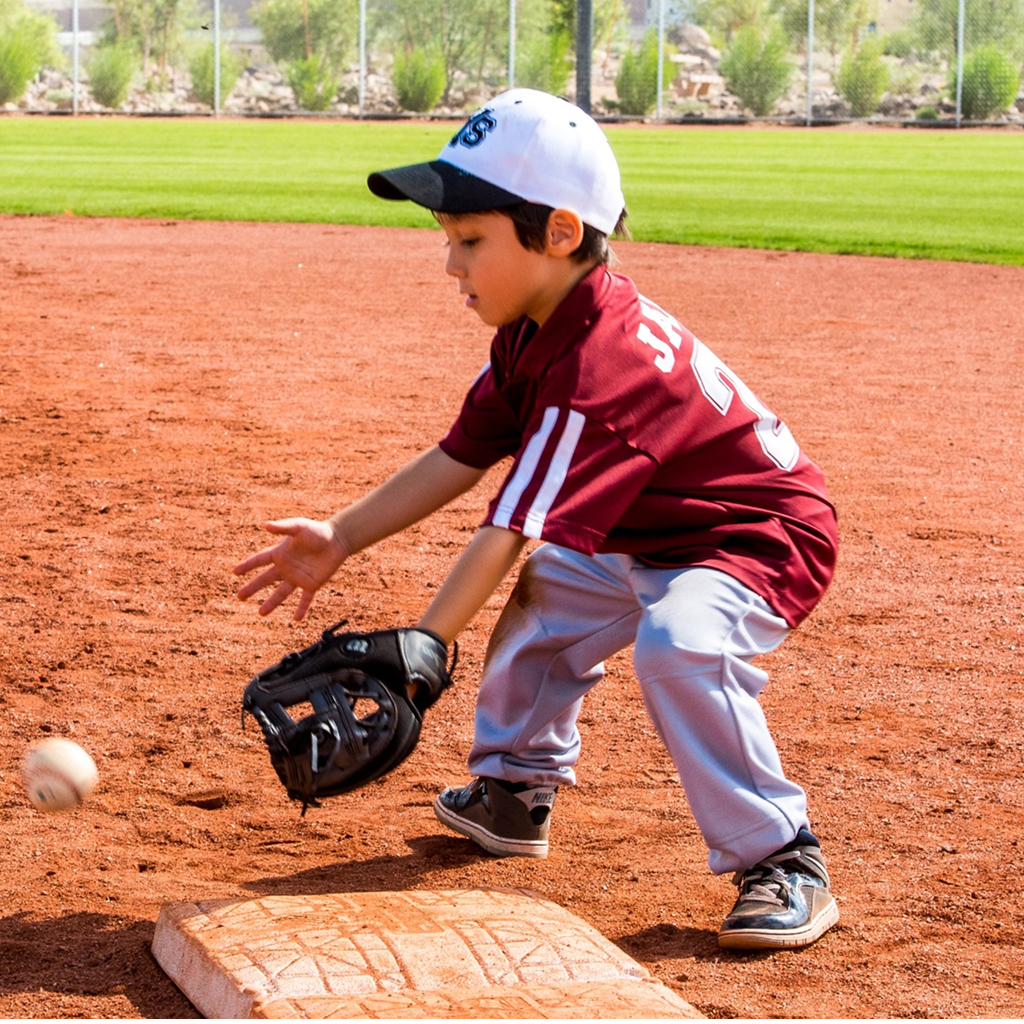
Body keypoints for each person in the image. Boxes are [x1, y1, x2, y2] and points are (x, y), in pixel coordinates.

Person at [233, 88, 840, 951]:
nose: (453, 266)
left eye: (471, 241)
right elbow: (461, 455)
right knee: (545, 603)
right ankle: (516, 792)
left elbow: (513, 522)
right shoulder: (530, 330)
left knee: (681, 644)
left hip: (753, 533)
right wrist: (342, 534)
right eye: (449, 242)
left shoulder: (601, 363)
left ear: (560, 234)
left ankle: (783, 856)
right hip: (645, 532)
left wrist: (423, 650)